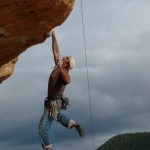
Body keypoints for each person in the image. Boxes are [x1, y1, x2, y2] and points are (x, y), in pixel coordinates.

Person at [39, 30, 84, 150]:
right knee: (57, 116)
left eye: (67, 58)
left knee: (43, 126)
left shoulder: (64, 71)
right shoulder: (60, 66)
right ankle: (73, 124)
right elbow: (55, 51)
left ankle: (48, 148)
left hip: (53, 103)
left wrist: (60, 66)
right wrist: (54, 37)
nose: (64, 57)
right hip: (54, 103)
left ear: (67, 65)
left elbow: (68, 81)